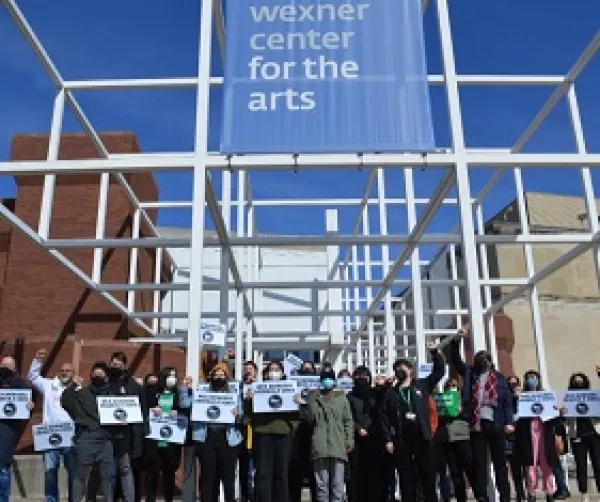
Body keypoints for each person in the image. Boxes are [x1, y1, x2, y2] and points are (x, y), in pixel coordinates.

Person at [449, 327, 513, 502]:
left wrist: (509, 422)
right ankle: (482, 496)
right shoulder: (471, 374)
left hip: (496, 424)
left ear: (491, 362)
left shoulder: (499, 378)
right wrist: (457, 340)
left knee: (500, 464)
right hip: (477, 425)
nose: (483, 362)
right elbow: (456, 360)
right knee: (479, 465)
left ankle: (505, 496)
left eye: (485, 359)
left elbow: (506, 401)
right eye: (480, 359)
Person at [380, 340, 445, 502]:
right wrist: (388, 439)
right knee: (406, 477)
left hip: (422, 436)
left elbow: (439, 372)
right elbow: (384, 417)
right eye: (397, 367)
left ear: (410, 370)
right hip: (401, 439)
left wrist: (435, 353)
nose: (399, 369)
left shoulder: (422, 385)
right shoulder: (391, 393)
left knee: (428, 475)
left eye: (403, 366)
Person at [298, 364, 353, 502]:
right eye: (325, 378)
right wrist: (309, 400)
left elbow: (348, 421)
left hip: (338, 445)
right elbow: (310, 418)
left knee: (338, 486)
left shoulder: (342, 398)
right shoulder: (315, 398)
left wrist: (349, 440)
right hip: (320, 446)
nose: (327, 381)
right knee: (321, 486)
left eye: (330, 378)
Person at [61, 362, 114, 502]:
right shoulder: (81, 394)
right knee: (80, 476)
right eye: (95, 374)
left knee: (107, 477)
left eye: (101, 375)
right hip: (86, 437)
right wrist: (73, 385)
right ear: (90, 376)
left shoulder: (111, 396)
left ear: (107, 378)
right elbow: (65, 401)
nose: (98, 377)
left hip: (105, 439)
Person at [28, 348, 76, 502]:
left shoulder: (79, 389)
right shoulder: (49, 385)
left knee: (73, 473)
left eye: (68, 371)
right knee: (50, 473)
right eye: (62, 370)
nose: (64, 372)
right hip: (49, 437)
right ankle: (51, 500)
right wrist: (38, 360)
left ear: (73, 373)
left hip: (70, 438)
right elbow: (33, 377)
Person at [246, 360, 295, 502]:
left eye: (277, 370)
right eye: (271, 370)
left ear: (282, 373)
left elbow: (296, 416)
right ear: (266, 374)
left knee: (282, 474)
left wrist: (298, 402)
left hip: (283, 436)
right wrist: (249, 400)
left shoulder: (289, 389)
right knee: (263, 474)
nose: (274, 373)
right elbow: (248, 416)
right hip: (263, 435)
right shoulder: (258, 388)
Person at [514, 370, 561, 502]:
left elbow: (553, 417)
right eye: (529, 378)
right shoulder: (522, 396)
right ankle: (531, 492)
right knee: (530, 465)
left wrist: (556, 411)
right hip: (528, 434)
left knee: (547, 463)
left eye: (534, 378)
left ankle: (550, 491)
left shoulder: (545, 395)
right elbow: (518, 416)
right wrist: (517, 398)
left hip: (544, 432)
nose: (532, 380)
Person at [107, 352, 144, 502]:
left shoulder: (133, 385)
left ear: (124, 365)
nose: (115, 366)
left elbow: (142, 408)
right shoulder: (105, 382)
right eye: (113, 363)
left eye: (118, 364)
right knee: (109, 471)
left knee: (125, 469)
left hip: (126, 435)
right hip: (107, 434)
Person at [434, 378, 476, 502]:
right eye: (449, 385)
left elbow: (470, 416)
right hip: (447, 438)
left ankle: (480, 495)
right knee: (455, 472)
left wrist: (461, 412)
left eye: (454, 385)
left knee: (470, 468)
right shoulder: (441, 399)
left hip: (462, 437)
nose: (452, 387)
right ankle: (460, 498)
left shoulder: (463, 400)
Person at [143, 368, 182, 502]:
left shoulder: (178, 394)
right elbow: (143, 406)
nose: (173, 378)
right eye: (170, 375)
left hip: (171, 441)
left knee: (169, 474)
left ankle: (169, 498)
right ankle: (151, 498)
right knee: (152, 473)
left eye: (175, 376)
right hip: (154, 440)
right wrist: (152, 408)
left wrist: (178, 412)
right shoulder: (152, 391)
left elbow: (185, 410)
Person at [0, 355, 34, 502]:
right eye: (3, 366)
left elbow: (24, 407)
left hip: (8, 430)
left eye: (9, 366)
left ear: (14, 368)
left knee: (2, 467)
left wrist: (29, 407)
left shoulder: (21, 384)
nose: (5, 369)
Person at [563, 372, 600, 502]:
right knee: (580, 465)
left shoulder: (593, 396)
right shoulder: (568, 398)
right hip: (577, 435)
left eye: (580, 381)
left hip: (593, 434)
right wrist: (563, 412)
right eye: (575, 382)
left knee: (598, 463)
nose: (578, 384)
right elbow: (565, 419)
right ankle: (584, 493)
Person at [346, 366, 381, 502]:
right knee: (355, 473)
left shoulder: (375, 394)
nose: (362, 379)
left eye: (365, 376)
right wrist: (358, 428)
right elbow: (348, 416)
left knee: (373, 472)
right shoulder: (349, 396)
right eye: (359, 376)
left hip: (374, 438)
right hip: (356, 438)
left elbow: (380, 414)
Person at [289, 360, 317, 502]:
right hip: (296, 440)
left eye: (310, 370)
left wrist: (311, 398)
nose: (307, 371)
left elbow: (314, 416)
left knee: (314, 479)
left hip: (313, 440)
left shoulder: (318, 393)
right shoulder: (293, 390)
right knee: (295, 478)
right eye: (304, 370)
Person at [240, 360, 258, 502]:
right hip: (243, 433)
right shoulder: (238, 388)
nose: (248, 371)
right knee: (244, 469)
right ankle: (245, 496)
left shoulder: (262, 387)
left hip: (258, 433)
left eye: (250, 369)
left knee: (258, 469)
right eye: (246, 369)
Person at [506, 376, 525, 502]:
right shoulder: (507, 400)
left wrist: (520, 397)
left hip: (524, 437)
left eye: (515, 384)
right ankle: (519, 492)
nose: (513, 386)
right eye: (510, 384)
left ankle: (529, 491)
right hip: (510, 438)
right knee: (515, 467)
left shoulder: (524, 398)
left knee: (527, 467)